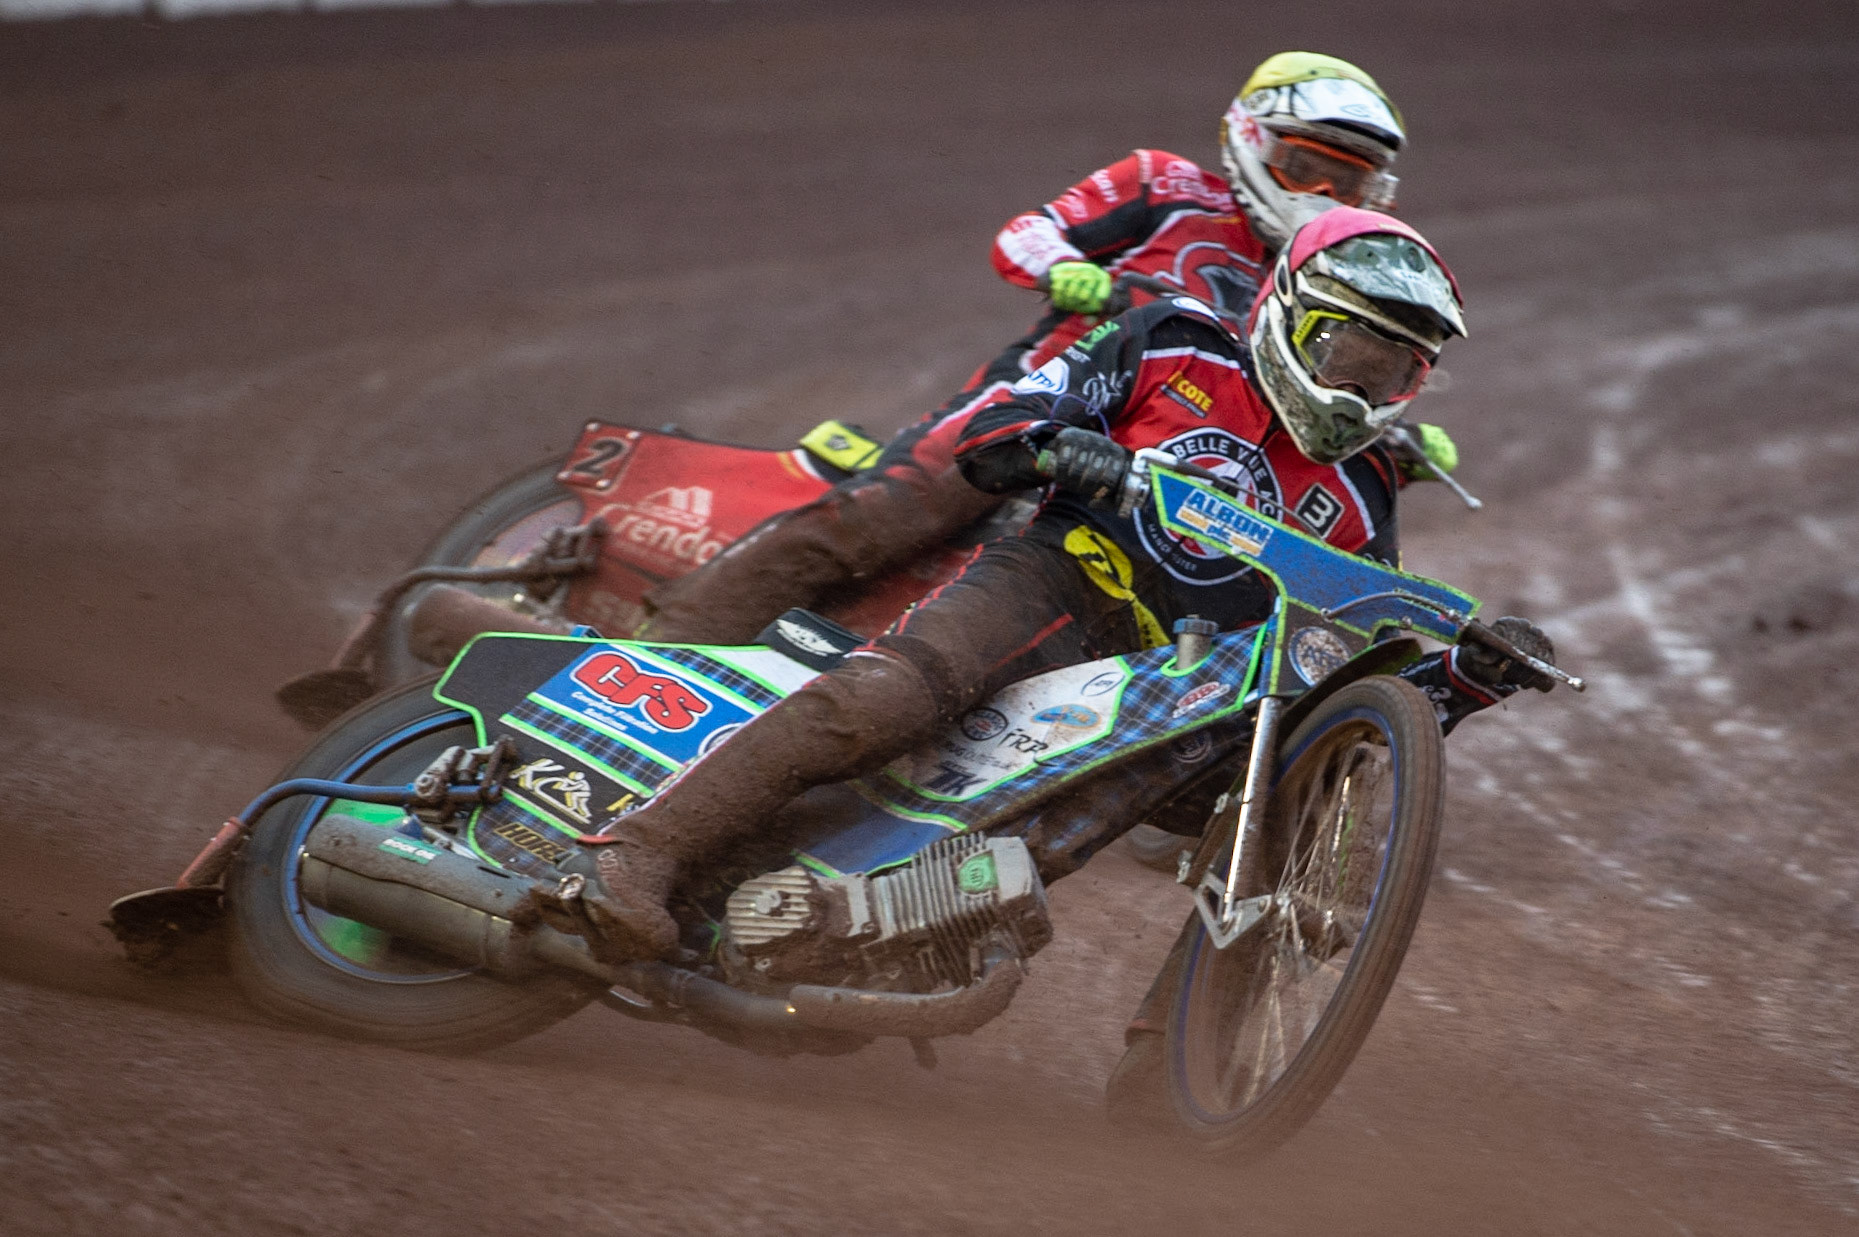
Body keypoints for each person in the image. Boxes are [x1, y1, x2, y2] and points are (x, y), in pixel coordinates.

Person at [532, 209, 1553, 988]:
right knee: (879, 702)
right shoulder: (1171, 343)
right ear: (1290, 310)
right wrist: (1047, 440)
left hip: (1178, 685)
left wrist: (1463, 674)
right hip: (1056, 580)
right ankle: (633, 850)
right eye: (1347, 352)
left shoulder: (1362, 485)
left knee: (1068, 847)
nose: (1357, 389)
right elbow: (1018, 406)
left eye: (1389, 371)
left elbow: (1354, 652)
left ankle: (843, 939)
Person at [636, 52, 1460, 645]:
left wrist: (1384, 429)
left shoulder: (1325, 270)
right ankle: (659, 642)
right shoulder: (1164, 183)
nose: (1319, 193)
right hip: (1042, 398)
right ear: (1250, 136)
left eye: (1345, 184)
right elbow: (1023, 234)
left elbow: (1319, 378)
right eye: (1306, 166)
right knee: (886, 517)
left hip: (1174, 460)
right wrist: (1070, 272)